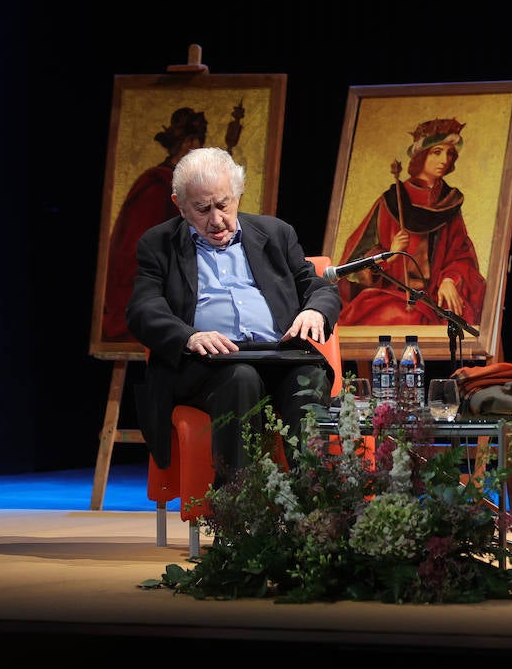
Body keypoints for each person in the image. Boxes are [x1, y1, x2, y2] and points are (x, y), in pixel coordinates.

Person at [127, 147, 340, 480]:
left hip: (276, 355)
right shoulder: (159, 244)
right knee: (241, 376)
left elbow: (320, 287)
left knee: (309, 377)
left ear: (238, 194)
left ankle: (315, 503)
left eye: (223, 204)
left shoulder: (276, 234)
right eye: (202, 208)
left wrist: (314, 311)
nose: (216, 220)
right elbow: (142, 309)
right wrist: (189, 336)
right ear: (179, 205)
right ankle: (238, 508)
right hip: (205, 366)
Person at [335, 117, 486, 329]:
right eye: (437, 152)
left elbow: (461, 254)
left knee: (459, 319)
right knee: (397, 317)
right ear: (421, 155)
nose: (445, 159)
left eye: (450, 153)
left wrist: (450, 279)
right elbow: (355, 265)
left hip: (436, 296)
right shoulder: (392, 200)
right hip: (395, 293)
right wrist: (391, 255)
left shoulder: (449, 202)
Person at [102, 107, 210, 341]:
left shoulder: (189, 188)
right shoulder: (156, 184)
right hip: (156, 285)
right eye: (194, 142)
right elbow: (136, 246)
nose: (198, 149)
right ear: (185, 144)